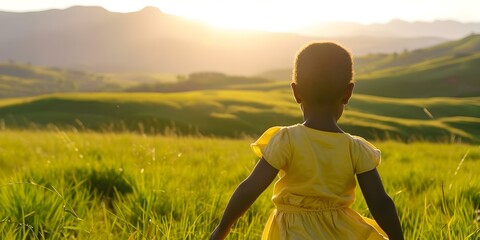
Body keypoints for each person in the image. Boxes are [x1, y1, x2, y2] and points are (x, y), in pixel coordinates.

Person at [210, 42, 404, 240]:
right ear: (348, 93)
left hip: (293, 233)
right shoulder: (357, 148)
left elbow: (250, 188)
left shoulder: (286, 140)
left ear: (296, 92)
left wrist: (221, 230)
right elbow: (380, 203)